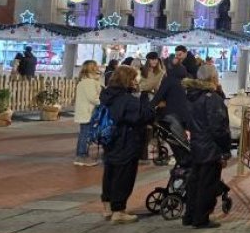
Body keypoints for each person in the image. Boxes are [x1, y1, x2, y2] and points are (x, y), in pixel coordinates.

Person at [99, 65, 154, 223]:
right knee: (123, 176)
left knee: (110, 172)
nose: (136, 82)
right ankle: (119, 210)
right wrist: (145, 101)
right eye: (134, 79)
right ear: (128, 80)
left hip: (110, 140)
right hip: (126, 141)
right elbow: (143, 116)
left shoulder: (107, 95)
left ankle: (108, 206)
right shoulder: (127, 100)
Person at [183, 64, 232, 228]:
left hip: (197, 143)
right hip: (210, 147)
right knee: (207, 184)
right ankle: (201, 218)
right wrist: (226, 149)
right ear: (213, 78)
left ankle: (189, 215)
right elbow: (218, 128)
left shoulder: (192, 95)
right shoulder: (212, 99)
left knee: (195, 182)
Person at [73, 60, 102, 166]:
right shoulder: (89, 82)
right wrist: (101, 102)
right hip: (88, 112)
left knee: (83, 134)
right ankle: (81, 156)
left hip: (84, 111)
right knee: (85, 135)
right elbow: (93, 98)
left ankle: (81, 155)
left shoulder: (83, 81)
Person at [151, 63, 192, 129]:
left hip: (171, 115)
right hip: (184, 116)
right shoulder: (185, 81)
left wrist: (150, 106)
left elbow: (159, 96)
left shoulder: (169, 80)